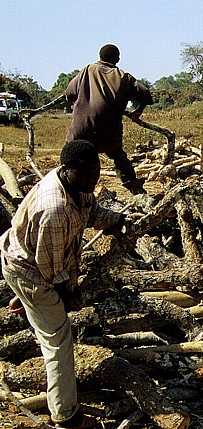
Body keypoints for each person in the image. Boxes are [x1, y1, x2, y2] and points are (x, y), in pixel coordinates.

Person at [1, 140, 127, 429]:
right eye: (87, 176)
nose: (93, 182)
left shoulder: (78, 188)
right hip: (30, 270)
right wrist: (69, 295)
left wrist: (116, 220)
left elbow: (92, 213)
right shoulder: (54, 208)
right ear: (67, 169)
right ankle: (66, 416)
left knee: (47, 307)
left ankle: (29, 303)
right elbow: (52, 271)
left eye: (96, 175)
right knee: (58, 342)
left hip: (29, 256)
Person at [65, 44, 153, 195]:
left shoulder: (87, 70)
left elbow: (69, 94)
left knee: (69, 154)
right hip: (109, 133)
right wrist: (138, 111)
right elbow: (145, 94)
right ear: (118, 59)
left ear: (100, 57)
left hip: (82, 130)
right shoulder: (123, 77)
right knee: (118, 157)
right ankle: (136, 189)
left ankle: (65, 186)